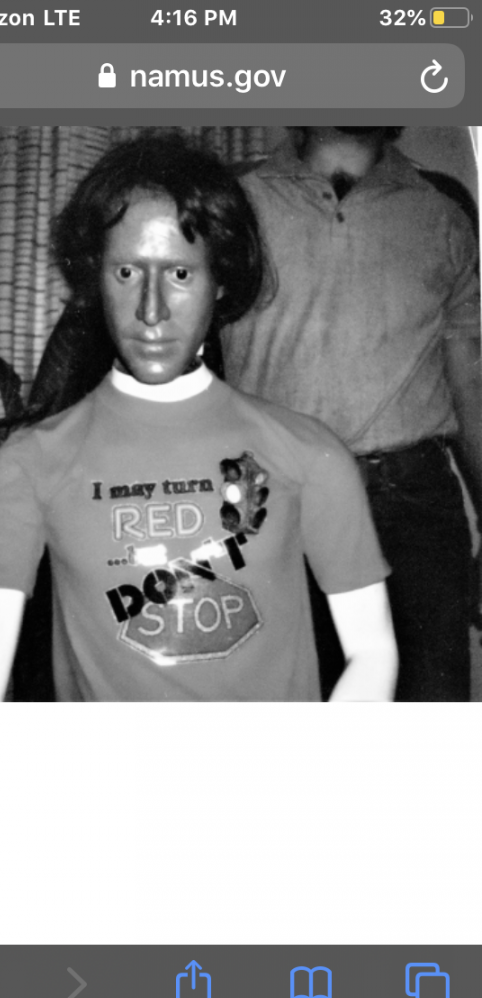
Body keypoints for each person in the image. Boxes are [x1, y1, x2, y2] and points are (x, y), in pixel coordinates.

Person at [0, 132, 396, 702]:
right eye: (127, 273)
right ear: (96, 277)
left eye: (180, 274)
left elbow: (373, 653)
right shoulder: (24, 466)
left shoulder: (311, 454)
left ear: (221, 282)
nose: (151, 311)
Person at [222, 126, 481, 701]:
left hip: (412, 511)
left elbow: (471, 382)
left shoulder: (440, 212)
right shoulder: (235, 200)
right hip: (269, 505)